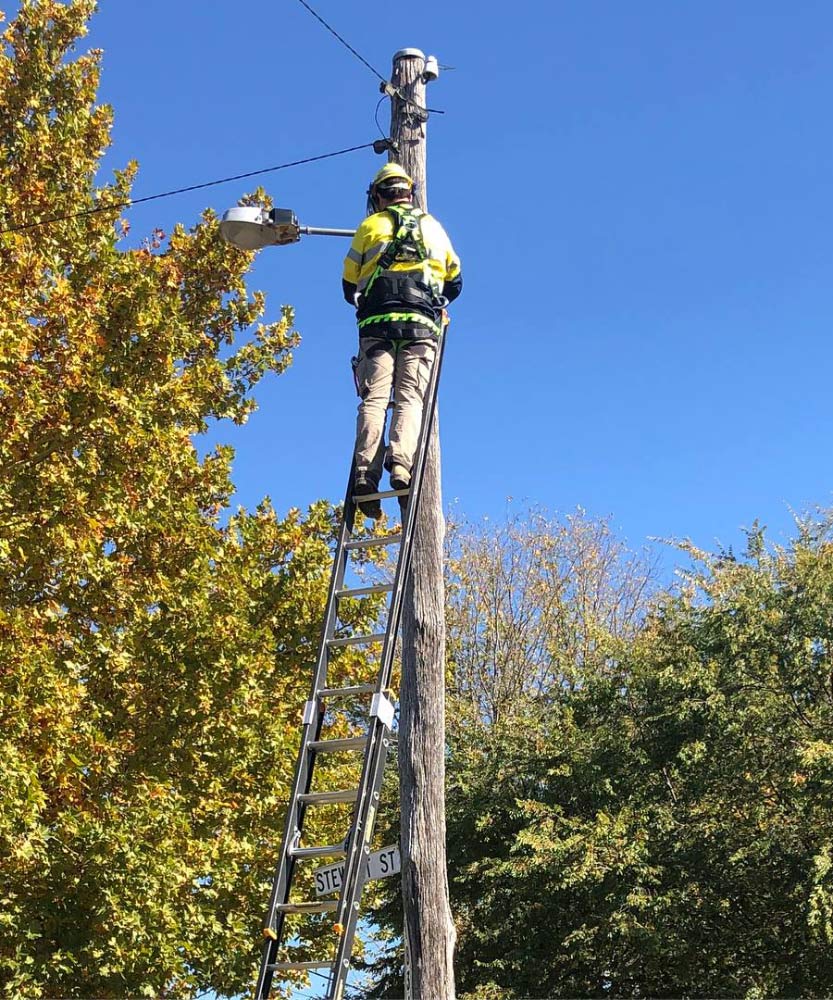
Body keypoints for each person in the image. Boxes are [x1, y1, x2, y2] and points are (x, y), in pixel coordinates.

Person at [342, 163, 463, 519]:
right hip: (421, 327)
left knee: (376, 399)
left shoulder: (369, 226)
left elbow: (349, 285)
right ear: (409, 193)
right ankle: (401, 464)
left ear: (379, 195)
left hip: (377, 326)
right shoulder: (433, 228)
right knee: (410, 397)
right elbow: (455, 281)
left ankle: (366, 471)